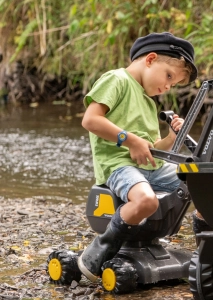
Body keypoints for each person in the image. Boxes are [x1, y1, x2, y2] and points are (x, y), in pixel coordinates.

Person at [78, 32, 203, 282]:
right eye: (168, 76)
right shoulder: (117, 79)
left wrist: (170, 138)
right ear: (150, 59)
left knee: (203, 182)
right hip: (119, 165)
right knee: (147, 201)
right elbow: (90, 120)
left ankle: (208, 251)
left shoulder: (149, 102)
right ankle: (102, 246)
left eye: (173, 84)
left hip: (148, 167)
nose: (168, 86)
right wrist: (130, 139)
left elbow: (151, 148)